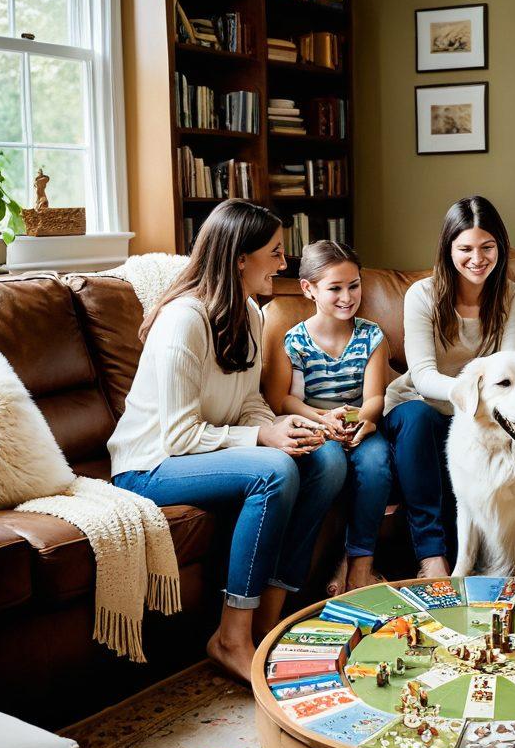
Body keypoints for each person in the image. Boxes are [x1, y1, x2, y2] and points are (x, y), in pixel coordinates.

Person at [108, 201, 347, 682]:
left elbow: (247, 404)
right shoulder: (184, 321)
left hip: (204, 451)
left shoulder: (252, 315)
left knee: (328, 458)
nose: (284, 263)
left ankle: (270, 616)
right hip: (150, 465)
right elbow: (178, 436)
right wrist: (263, 438)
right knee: (272, 470)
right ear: (241, 258)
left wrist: (281, 428)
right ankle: (231, 637)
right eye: (275, 253)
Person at [382, 196, 515, 577]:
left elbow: (508, 370)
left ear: (500, 246)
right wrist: (469, 394)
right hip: (424, 403)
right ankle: (432, 558)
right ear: (448, 250)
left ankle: (495, 555)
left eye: (487, 247)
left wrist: (479, 406)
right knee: (416, 418)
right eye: (465, 248)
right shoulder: (423, 295)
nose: (476, 259)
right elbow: (422, 375)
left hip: (481, 412)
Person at [262, 240, 391, 595]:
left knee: (378, 461)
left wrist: (362, 421)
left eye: (354, 285)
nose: (347, 297)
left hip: (358, 424)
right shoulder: (295, 342)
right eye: (335, 288)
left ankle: (361, 561)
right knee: (331, 461)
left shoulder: (371, 337)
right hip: (314, 425)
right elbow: (280, 399)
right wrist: (321, 420)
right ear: (309, 289)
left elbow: (375, 397)